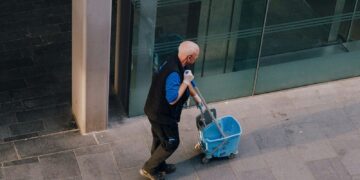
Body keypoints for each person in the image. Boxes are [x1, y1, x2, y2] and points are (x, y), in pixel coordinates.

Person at [140, 41, 202, 180]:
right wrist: (186, 82)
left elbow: (186, 76)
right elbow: (172, 99)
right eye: (196, 57)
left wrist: (196, 97)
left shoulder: (174, 58)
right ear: (189, 57)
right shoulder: (173, 72)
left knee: (160, 138)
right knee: (171, 142)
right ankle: (149, 168)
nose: (196, 59)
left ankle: (159, 164)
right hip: (162, 115)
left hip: (153, 108)